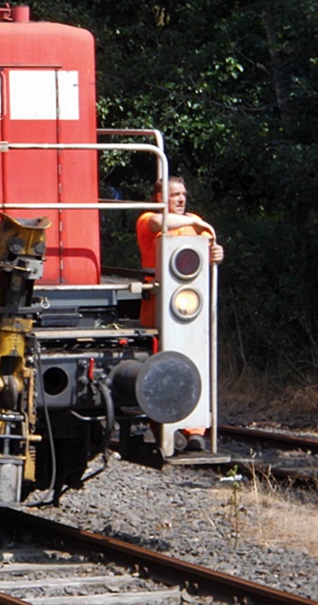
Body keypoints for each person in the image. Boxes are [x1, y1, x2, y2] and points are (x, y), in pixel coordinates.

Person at [136, 176, 223, 452]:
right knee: (159, 365)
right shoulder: (148, 219)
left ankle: (195, 429)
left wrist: (217, 254)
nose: (181, 199)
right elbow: (160, 224)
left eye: (183, 194)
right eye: (174, 195)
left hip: (189, 308)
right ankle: (162, 426)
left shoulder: (194, 222)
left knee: (193, 359)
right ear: (159, 197)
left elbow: (209, 250)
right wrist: (198, 224)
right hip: (158, 305)